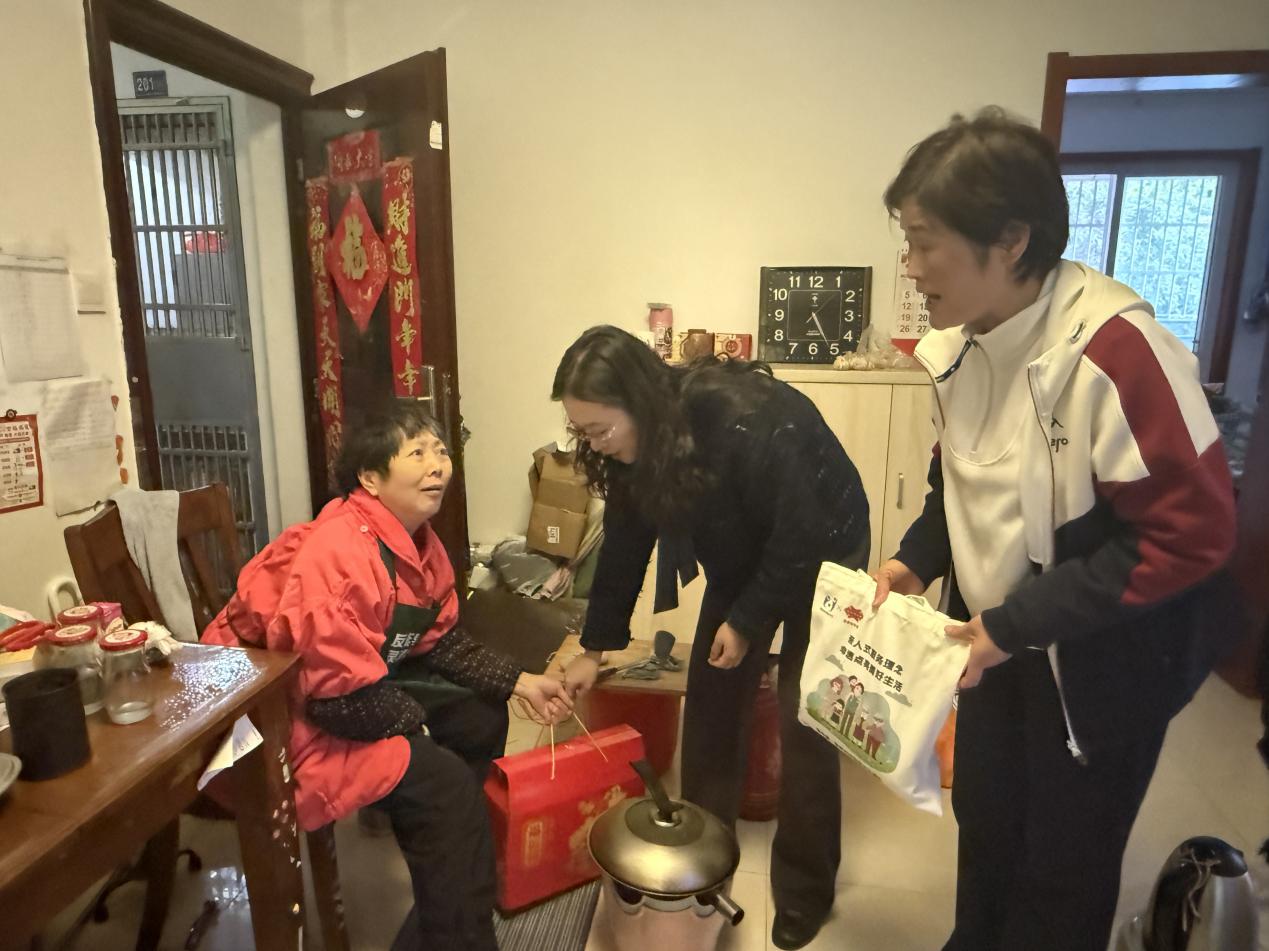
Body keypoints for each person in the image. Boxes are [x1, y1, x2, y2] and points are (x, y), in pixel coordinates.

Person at [873, 107, 1238, 951]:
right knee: (986, 825)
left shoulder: (1118, 351)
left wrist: (1014, 625)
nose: (911, 266)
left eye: (924, 241)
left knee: (1061, 866)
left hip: (1097, 663)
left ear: (1010, 240)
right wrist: (912, 561)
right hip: (995, 644)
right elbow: (956, 484)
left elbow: (1191, 533)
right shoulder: (959, 347)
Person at [202, 402, 571, 951]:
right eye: (415, 453)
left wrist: (523, 682)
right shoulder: (340, 551)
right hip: (272, 718)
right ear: (370, 479)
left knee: (480, 717)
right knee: (446, 789)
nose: (437, 465)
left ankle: (446, 883)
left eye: (440, 450)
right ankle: (455, 911)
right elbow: (333, 702)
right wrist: (415, 728)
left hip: (343, 690)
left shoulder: (417, 543)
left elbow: (438, 640)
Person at [554, 326, 870, 950]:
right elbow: (624, 545)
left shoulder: (741, 418)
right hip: (742, 551)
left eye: (600, 429)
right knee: (711, 706)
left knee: (805, 716)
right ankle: (701, 864)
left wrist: (746, 621)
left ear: (639, 402)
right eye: (582, 432)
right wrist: (593, 649)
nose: (594, 443)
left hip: (824, 547)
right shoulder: (634, 448)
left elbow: (800, 535)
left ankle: (806, 890)